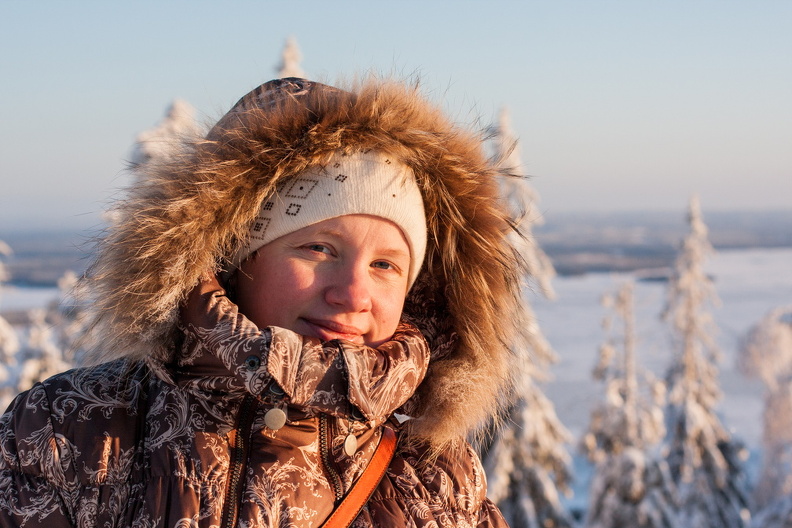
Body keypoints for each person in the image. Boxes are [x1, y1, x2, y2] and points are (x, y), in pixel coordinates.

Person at [0, 78, 529, 527]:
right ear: (233, 257)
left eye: (385, 265)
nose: (352, 294)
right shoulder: (69, 432)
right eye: (318, 248)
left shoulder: (432, 476)